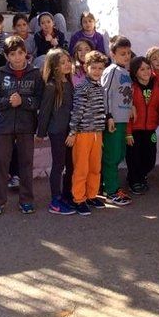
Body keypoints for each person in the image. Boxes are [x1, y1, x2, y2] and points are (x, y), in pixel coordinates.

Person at [0, 36, 44, 216]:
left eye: (21, 53)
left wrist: (24, 101)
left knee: (26, 163)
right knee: (1, 163)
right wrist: (7, 101)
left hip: (26, 125)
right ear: (6, 56)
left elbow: (40, 100)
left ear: (26, 54)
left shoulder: (35, 73)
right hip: (4, 126)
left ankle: (26, 200)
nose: (18, 57)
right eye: (13, 54)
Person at [66, 50, 109, 215]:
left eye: (100, 68)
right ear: (86, 67)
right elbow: (77, 111)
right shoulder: (82, 87)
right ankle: (79, 198)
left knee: (95, 167)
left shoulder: (100, 86)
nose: (97, 71)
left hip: (97, 132)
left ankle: (91, 195)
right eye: (94, 68)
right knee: (81, 168)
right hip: (83, 133)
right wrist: (72, 132)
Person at [37, 49, 76, 215]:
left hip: (70, 131)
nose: (67, 64)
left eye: (68, 61)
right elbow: (45, 111)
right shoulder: (52, 86)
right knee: (58, 165)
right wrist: (41, 133)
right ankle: (55, 199)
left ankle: (67, 195)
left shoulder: (69, 82)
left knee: (71, 164)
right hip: (57, 131)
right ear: (54, 67)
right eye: (62, 62)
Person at [101, 35, 134, 206]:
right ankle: (111, 191)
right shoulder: (112, 70)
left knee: (119, 154)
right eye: (122, 53)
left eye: (128, 53)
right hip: (113, 120)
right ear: (113, 54)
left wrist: (132, 107)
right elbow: (105, 93)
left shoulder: (125, 72)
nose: (127, 56)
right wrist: (108, 116)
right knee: (112, 156)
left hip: (123, 120)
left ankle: (107, 185)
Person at [126, 56, 159, 194]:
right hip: (135, 130)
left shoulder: (157, 84)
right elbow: (127, 111)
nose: (146, 71)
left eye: (148, 68)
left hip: (150, 128)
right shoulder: (131, 87)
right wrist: (128, 132)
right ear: (135, 72)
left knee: (150, 159)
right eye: (142, 69)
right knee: (134, 157)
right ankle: (134, 180)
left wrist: (155, 122)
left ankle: (141, 175)